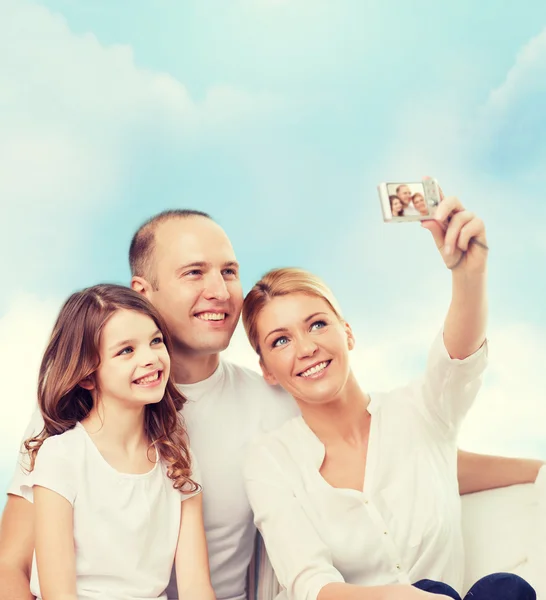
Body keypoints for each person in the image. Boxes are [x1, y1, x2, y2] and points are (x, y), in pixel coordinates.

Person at [1, 209, 544, 600]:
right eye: (194, 273)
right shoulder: (74, 420)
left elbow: (406, 456)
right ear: (143, 292)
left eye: (229, 271)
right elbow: (10, 569)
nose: (219, 289)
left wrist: (536, 470)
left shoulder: (274, 401)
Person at [241, 196, 541, 600]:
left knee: (504, 590)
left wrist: (469, 274)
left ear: (347, 332)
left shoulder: (419, 413)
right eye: (280, 340)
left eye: (317, 324)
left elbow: (458, 360)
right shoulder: (270, 461)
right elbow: (310, 583)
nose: (306, 347)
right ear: (267, 370)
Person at [19, 284, 214, 600]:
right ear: (87, 376)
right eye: (126, 350)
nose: (150, 358)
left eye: (155, 341)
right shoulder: (62, 456)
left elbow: (195, 586)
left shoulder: (177, 456)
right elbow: (60, 594)